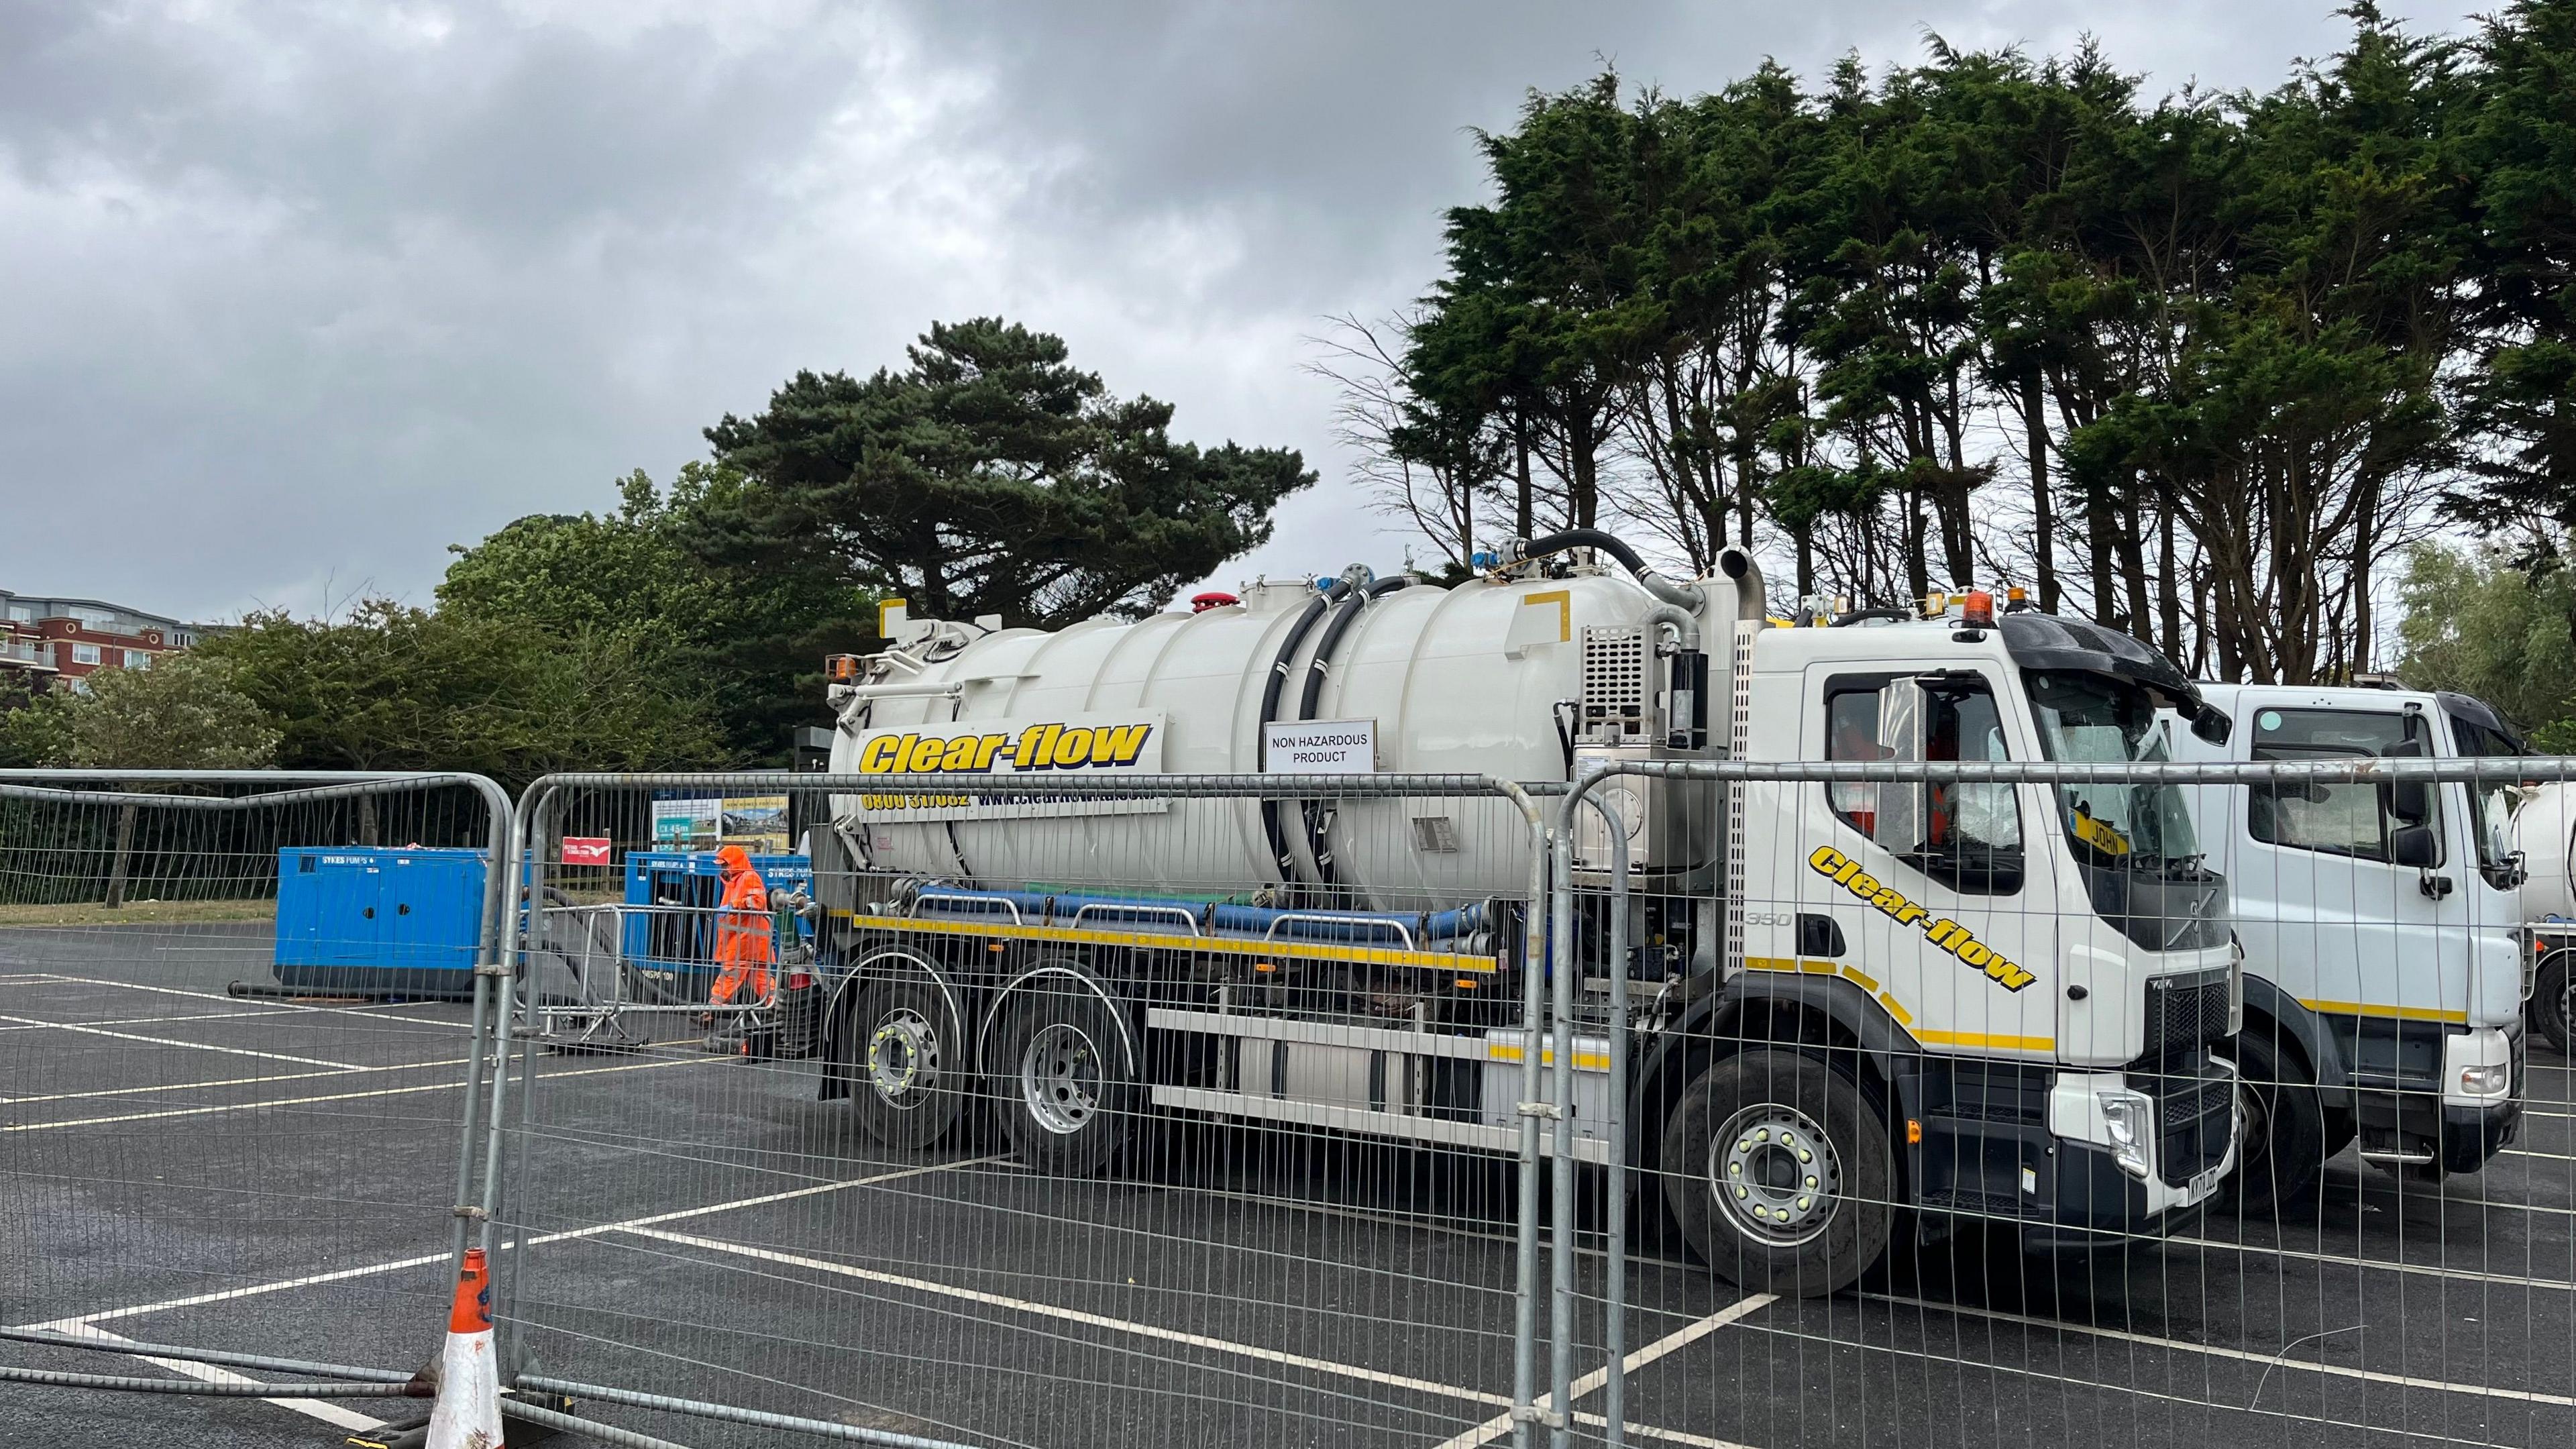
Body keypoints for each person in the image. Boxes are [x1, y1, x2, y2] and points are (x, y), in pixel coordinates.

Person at [704, 844, 773, 1051]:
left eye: (724, 864)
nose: (722, 869)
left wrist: (734, 906)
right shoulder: (735, 881)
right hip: (748, 941)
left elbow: (757, 902)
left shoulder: (748, 878)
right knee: (760, 979)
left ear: (734, 863)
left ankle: (710, 1009)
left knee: (731, 975)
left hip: (747, 942)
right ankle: (777, 1006)